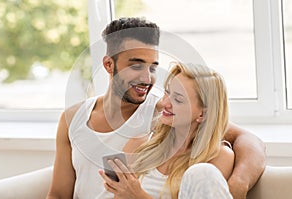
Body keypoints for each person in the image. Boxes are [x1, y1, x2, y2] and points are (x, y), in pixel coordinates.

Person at [46, 17, 265, 199]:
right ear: (108, 65)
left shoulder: (162, 112)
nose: (147, 78)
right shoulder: (72, 118)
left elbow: (246, 138)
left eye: (153, 67)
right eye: (136, 65)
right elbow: (58, 194)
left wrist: (238, 183)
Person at [99, 62, 234, 199]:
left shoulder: (218, 156)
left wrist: (138, 196)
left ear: (202, 115)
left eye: (178, 99)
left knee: (202, 171)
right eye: (167, 92)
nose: (165, 103)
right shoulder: (139, 145)